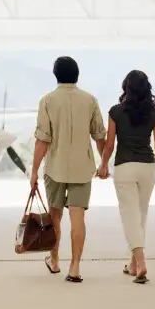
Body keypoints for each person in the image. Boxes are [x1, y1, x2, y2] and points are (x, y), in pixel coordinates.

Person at [31, 56, 107, 283]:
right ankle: (74, 267)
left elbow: (42, 140)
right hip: (82, 169)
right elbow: (99, 136)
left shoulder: (47, 101)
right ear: (77, 74)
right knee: (78, 219)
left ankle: (54, 260)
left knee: (55, 216)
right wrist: (103, 163)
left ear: (56, 75)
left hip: (55, 167)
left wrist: (34, 170)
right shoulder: (90, 100)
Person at [97, 70, 155, 284]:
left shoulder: (116, 112)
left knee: (130, 216)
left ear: (126, 88)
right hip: (147, 168)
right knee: (140, 215)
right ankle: (132, 263)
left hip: (125, 167)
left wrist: (103, 165)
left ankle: (141, 263)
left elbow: (110, 144)